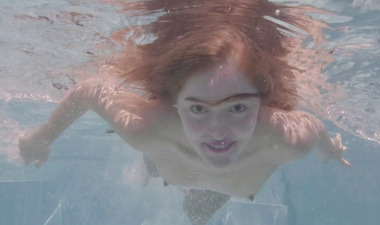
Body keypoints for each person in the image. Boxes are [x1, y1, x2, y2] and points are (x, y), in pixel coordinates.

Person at [19, 0, 350, 224]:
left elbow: (316, 128)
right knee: (153, 160)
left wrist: (331, 149)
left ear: (263, 101)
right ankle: (151, 171)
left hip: (209, 182)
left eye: (236, 107)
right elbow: (88, 90)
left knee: (197, 216)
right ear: (174, 102)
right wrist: (41, 137)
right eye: (197, 108)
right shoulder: (149, 128)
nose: (217, 130)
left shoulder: (288, 138)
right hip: (172, 159)